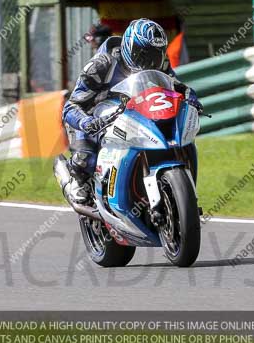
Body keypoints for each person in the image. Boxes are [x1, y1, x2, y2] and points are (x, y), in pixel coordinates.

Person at [61, 18, 202, 204]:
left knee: (174, 138)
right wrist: (87, 122)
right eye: (143, 55)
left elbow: (175, 86)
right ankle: (77, 182)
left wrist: (191, 97)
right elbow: (71, 106)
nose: (149, 62)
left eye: (155, 55)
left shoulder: (161, 62)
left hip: (133, 110)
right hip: (93, 113)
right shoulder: (102, 64)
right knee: (85, 160)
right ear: (128, 48)